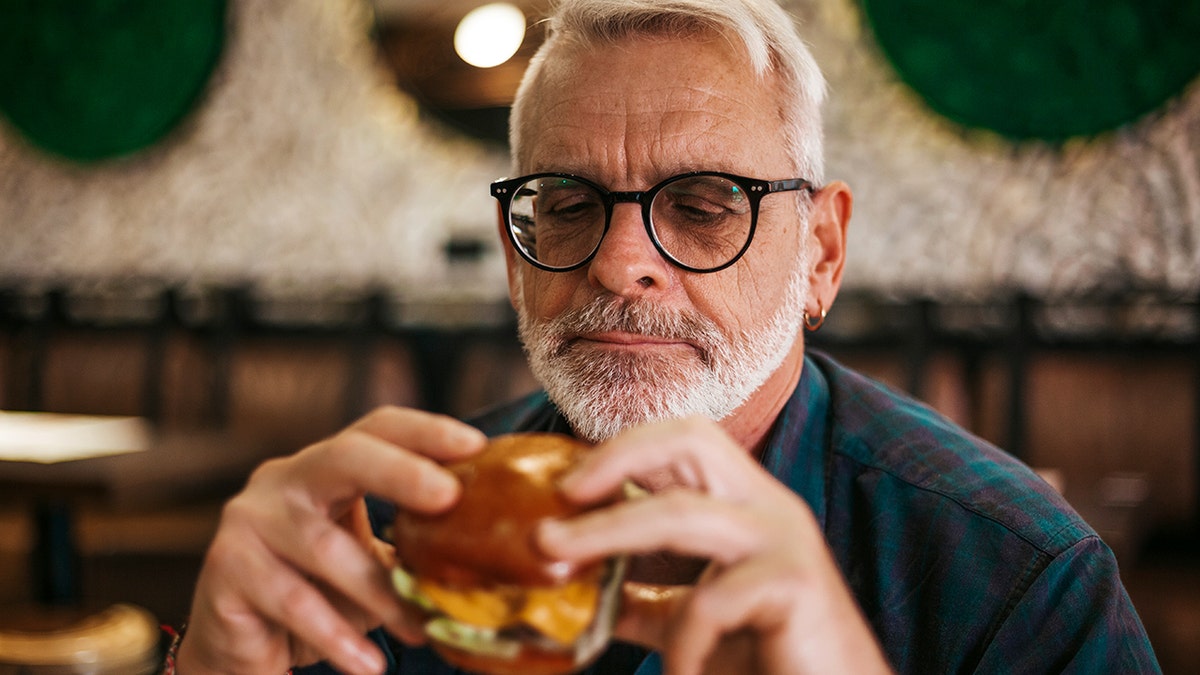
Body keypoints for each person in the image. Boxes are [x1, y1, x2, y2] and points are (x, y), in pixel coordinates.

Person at [170, 0, 1161, 673]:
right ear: (517, 256)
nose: (616, 263)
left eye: (701, 203)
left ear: (821, 252)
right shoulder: (392, 544)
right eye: (565, 203)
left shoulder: (1016, 580)